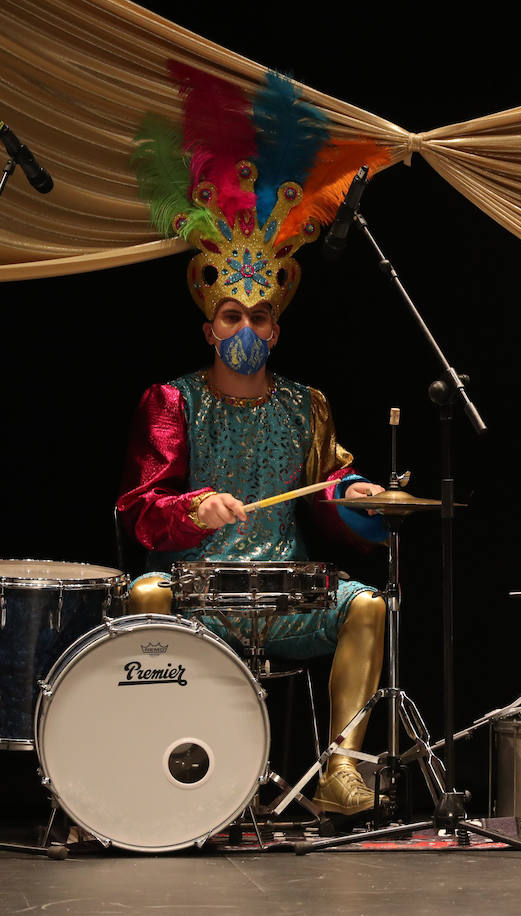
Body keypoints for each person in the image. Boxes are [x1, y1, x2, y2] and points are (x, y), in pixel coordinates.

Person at [119, 64, 392, 817]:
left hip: (282, 592)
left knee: (367, 605)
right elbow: (139, 509)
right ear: (210, 325)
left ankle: (341, 768)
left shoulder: (309, 404)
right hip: (196, 593)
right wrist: (191, 511)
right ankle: (162, 769)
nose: (247, 329)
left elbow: (331, 489)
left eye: (261, 317)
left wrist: (358, 496)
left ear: (278, 326)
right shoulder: (170, 400)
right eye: (232, 316)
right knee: (145, 593)